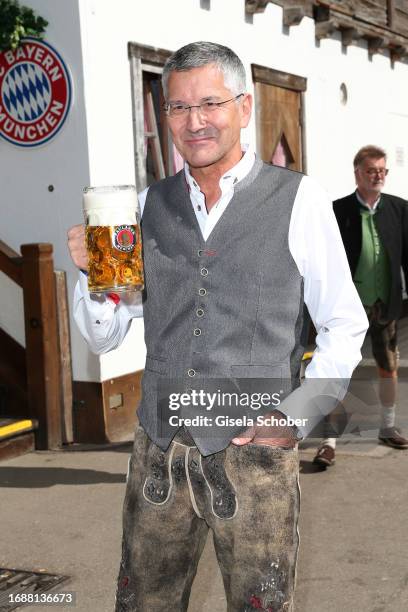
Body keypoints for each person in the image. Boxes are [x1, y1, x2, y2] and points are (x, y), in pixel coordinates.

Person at [68, 42, 367, 612]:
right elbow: (104, 336)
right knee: (141, 604)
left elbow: (344, 325)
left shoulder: (299, 200)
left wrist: (297, 417)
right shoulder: (142, 208)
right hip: (159, 449)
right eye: (178, 108)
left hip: (254, 455)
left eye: (210, 103)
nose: (194, 121)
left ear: (245, 107)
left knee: (261, 606)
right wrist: (90, 278)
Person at [313, 145, 408, 469]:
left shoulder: (399, 209)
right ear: (358, 173)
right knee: (338, 372)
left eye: (382, 170)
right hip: (347, 308)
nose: (378, 176)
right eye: (372, 171)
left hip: (386, 305)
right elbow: (324, 260)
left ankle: (388, 426)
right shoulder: (338, 211)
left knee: (388, 368)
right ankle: (328, 442)